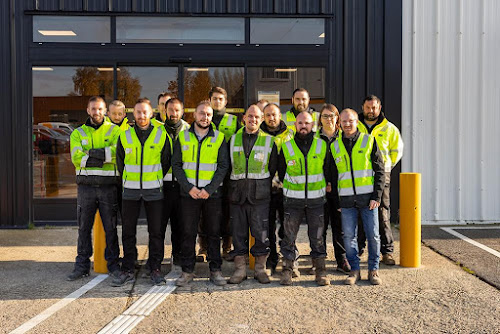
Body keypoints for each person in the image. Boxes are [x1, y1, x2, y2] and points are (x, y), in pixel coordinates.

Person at [113, 98, 171, 286]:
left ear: (151, 114)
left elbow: (166, 162)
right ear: (133, 114)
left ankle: (154, 268)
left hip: (154, 191)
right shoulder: (124, 136)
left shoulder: (161, 135)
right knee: (128, 232)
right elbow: (120, 162)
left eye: (145, 112)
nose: (141, 116)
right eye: (138, 112)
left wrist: (153, 178)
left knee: (156, 232)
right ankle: (128, 267)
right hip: (129, 191)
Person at [172, 100, 229, 287]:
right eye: (202, 113)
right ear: (195, 115)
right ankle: (187, 271)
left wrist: (208, 190)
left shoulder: (219, 138)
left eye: (209, 114)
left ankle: (215, 271)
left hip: (211, 196)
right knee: (188, 233)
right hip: (188, 195)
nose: (205, 117)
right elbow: (177, 166)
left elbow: (223, 167)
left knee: (213, 233)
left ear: (212, 117)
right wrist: (190, 188)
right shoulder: (183, 137)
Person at [67, 96, 121, 281]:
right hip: (86, 189)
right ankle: (81, 266)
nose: (96, 112)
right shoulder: (77, 133)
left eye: (100, 109)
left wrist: (90, 153)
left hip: (108, 188)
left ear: (105, 111)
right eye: (93, 109)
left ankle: (113, 265)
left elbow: (116, 155)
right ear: (88, 110)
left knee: (111, 229)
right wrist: (103, 156)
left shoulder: (115, 131)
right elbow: (76, 158)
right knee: (83, 229)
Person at [330, 108, 385, 285]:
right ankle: (354, 270)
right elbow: (333, 176)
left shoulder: (369, 141)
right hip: (346, 201)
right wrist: (337, 200)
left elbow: (380, 171)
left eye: (351, 120)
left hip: (368, 200)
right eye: (344, 121)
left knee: (373, 236)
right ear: (340, 123)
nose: (347, 124)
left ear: (356, 122)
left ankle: (373, 270)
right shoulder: (335, 146)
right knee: (348, 237)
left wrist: (377, 196)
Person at [227, 105, 278, 284]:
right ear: (244, 118)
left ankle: (260, 269)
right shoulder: (232, 140)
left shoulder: (269, 141)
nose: (253, 120)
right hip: (237, 196)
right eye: (250, 116)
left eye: (257, 117)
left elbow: (272, 169)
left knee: (261, 233)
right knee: (238, 233)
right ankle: (240, 270)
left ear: (261, 119)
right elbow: (228, 168)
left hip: (260, 196)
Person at [278, 111, 330, 286]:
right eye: (300, 123)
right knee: (289, 236)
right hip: (293, 201)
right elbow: (280, 171)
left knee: (317, 237)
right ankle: (287, 269)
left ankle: (320, 271)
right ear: (295, 126)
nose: (303, 126)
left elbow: (328, 170)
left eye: (306, 123)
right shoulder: (287, 147)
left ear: (313, 125)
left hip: (316, 200)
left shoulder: (322, 146)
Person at [356, 95, 404, 265]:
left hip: (382, 175)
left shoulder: (389, 128)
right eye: (368, 107)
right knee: (360, 212)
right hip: (360, 176)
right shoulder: (355, 125)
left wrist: (386, 167)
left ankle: (387, 252)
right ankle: (359, 249)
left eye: (374, 107)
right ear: (363, 107)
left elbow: (396, 151)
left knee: (382, 212)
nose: (371, 111)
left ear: (379, 107)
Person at [197, 87, 240, 262]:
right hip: (207, 176)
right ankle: (204, 248)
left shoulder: (234, 121)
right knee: (203, 214)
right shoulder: (204, 119)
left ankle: (226, 248)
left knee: (227, 213)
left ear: (226, 101)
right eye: (214, 98)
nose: (217, 102)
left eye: (220, 99)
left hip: (228, 175)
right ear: (209, 100)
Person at [315, 104, 351, 273]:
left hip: (340, 190)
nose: (329, 119)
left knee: (340, 227)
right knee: (319, 227)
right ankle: (319, 261)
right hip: (319, 189)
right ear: (320, 120)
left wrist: (333, 184)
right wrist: (325, 183)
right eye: (325, 116)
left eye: (332, 116)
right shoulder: (314, 139)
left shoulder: (344, 139)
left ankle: (342, 260)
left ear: (337, 118)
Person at [260, 103, 293, 274]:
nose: (271, 118)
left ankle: (288, 261)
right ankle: (271, 260)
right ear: (263, 117)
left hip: (288, 188)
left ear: (280, 115)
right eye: (268, 115)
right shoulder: (258, 135)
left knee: (288, 227)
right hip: (266, 189)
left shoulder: (290, 135)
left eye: (274, 114)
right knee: (268, 228)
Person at [161, 98, 190, 272]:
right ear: (165, 110)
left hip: (182, 185)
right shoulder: (157, 131)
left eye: (177, 110)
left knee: (180, 225)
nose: (173, 113)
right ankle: (156, 259)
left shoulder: (189, 130)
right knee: (159, 225)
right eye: (170, 110)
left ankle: (178, 256)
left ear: (182, 111)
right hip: (162, 185)